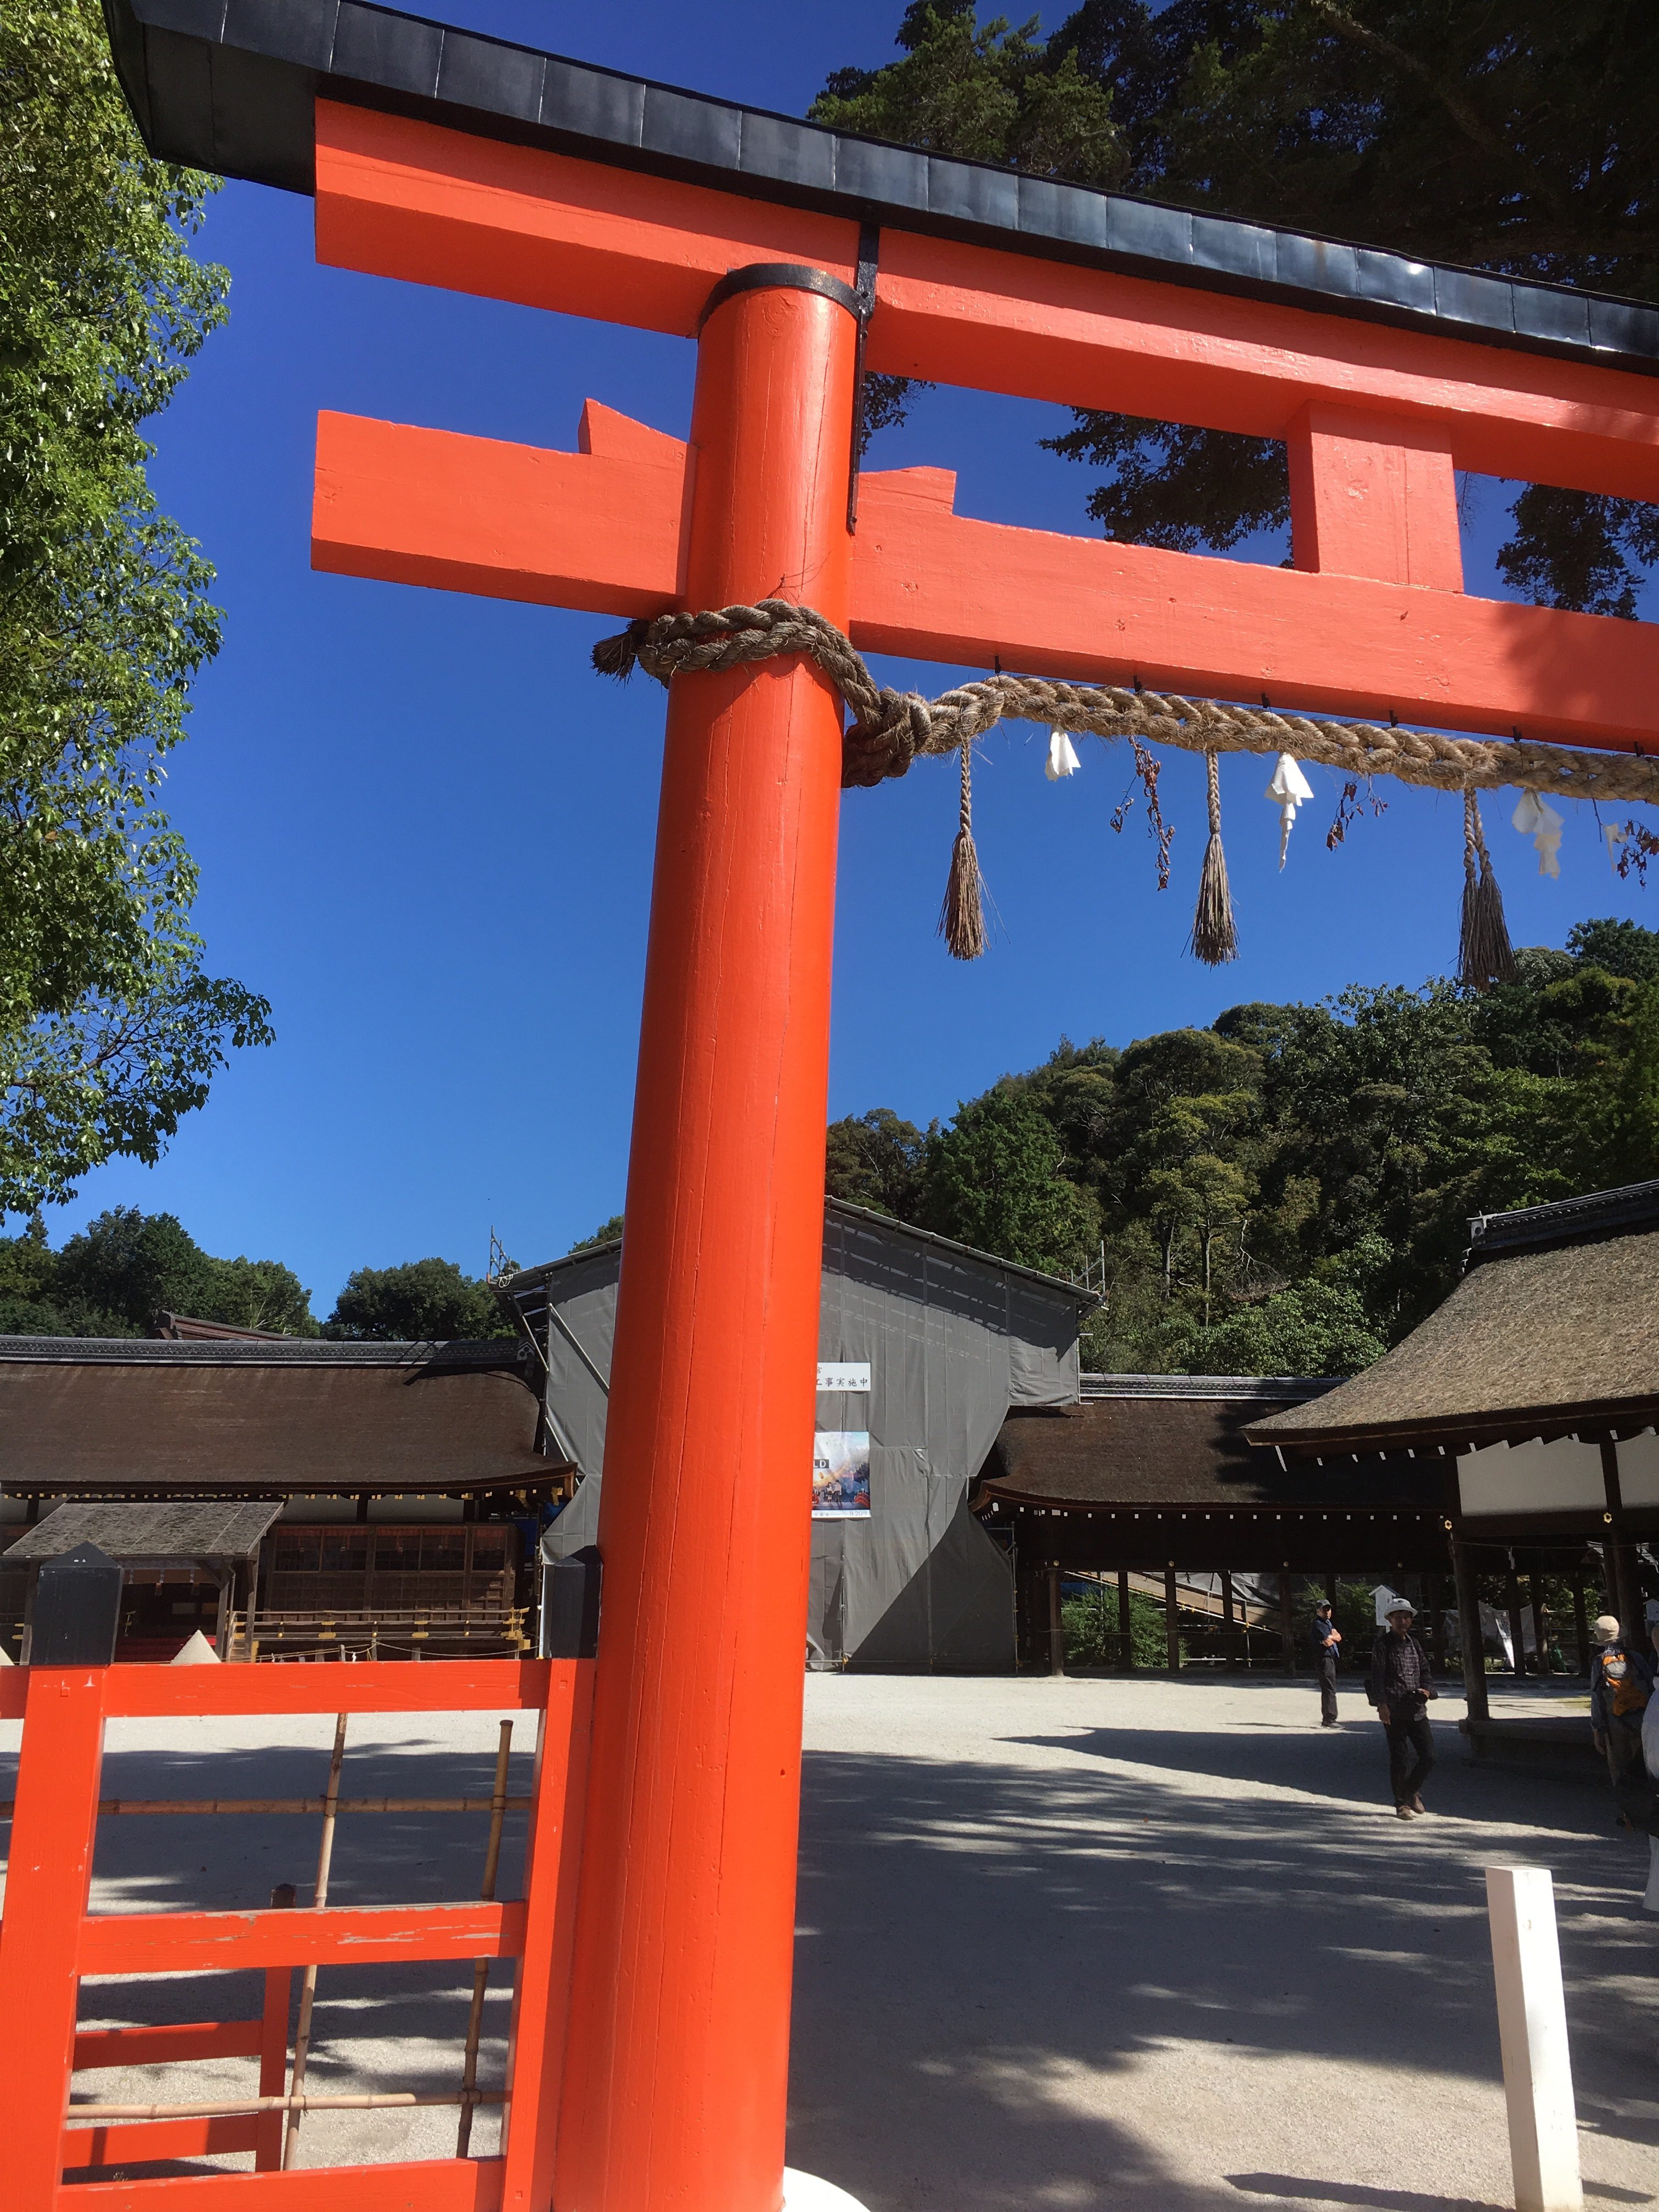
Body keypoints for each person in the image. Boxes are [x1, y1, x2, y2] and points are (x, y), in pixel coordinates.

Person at [1369, 1598, 1438, 1818]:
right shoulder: (1382, 1645)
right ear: (1390, 1619)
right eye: (1398, 1617)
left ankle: (1410, 1791)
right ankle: (1401, 1803)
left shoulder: (1415, 1644)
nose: (1403, 1621)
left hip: (1417, 1709)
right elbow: (1377, 1677)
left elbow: (1425, 1671)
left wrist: (1427, 1691)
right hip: (1394, 1708)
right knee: (1400, 1759)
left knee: (1429, 1756)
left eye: (1407, 1617)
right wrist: (1381, 1705)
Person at [1588, 1615, 1653, 1804]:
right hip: (1642, 1721)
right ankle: (1648, 1808)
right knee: (1645, 1767)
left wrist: (1597, 1730)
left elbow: (1597, 1699)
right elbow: (1651, 1688)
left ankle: (1627, 1811)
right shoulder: (1636, 1658)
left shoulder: (1599, 1663)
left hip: (1614, 1723)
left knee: (1619, 1771)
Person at [1312, 1598, 1342, 1726]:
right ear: (1318, 1611)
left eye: (1329, 1609)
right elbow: (1327, 1642)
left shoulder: (1328, 1623)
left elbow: (1339, 1637)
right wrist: (1331, 1637)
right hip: (1324, 1658)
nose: (1327, 1612)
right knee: (1329, 1688)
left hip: (1330, 1657)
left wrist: (1332, 1637)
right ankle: (1330, 1719)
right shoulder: (1318, 1624)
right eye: (1324, 1609)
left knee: (1330, 1687)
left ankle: (1328, 1718)